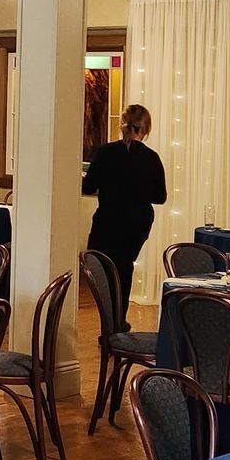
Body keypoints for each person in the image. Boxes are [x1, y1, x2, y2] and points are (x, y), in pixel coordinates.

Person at [82, 104, 167, 322]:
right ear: (145, 129)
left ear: (122, 125)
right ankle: (119, 320)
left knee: (101, 270)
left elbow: (88, 187)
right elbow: (160, 197)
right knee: (124, 268)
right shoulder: (152, 158)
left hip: (107, 220)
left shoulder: (105, 153)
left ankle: (108, 322)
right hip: (137, 223)